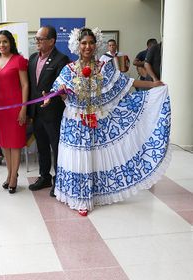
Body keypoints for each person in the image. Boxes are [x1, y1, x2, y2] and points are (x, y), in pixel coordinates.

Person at [51, 27, 169, 216]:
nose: (87, 46)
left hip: (96, 122)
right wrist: (59, 93)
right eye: (83, 43)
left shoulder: (103, 67)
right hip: (74, 122)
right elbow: (58, 91)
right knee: (78, 160)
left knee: (94, 159)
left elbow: (126, 82)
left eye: (91, 42)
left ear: (96, 44)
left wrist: (153, 84)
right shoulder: (68, 69)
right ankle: (80, 198)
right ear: (77, 45)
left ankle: (93, 194)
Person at [27, 25, 70, 196]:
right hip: (36, 113)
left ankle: (59, 180)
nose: (37, 41)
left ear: (52, 41)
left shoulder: (62, 59)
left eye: (40, 38)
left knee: (56, 146)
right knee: (42, 146)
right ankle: (44, 176)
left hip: (53, 113)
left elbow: (63, 86)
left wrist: (51, 95)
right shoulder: (32, 59)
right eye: (36, 38)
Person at [0, 30, 29, 194]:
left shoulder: (19, 60)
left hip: (16, 107)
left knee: (16, 143)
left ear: (10, 42)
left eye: (5, 41)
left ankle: (13, 178)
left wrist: (23, 108)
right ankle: (10, 173)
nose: (1, 45)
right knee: (4, 143)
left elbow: (25, 85)